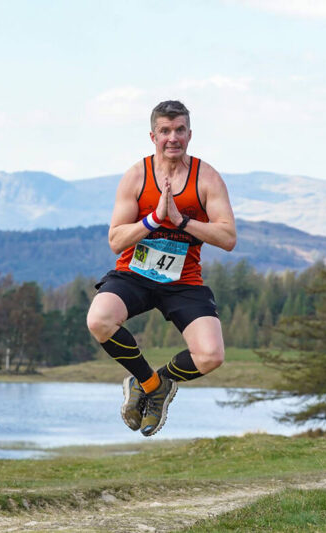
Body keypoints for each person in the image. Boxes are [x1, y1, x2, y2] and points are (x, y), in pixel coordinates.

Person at [86, 100, 237, 436]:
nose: (173, 137)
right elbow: (116, 239)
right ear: (152, 135)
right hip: (134, 275)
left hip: (183, 280)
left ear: (190, 134)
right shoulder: (136, 176)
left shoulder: (206, 177)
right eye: (165, 131)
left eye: (180, 130)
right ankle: (150, 383)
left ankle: (160, 384)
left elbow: (227, 237)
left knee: (211, 355)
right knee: (99, 319)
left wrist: (182, 220)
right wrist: (154, 219)